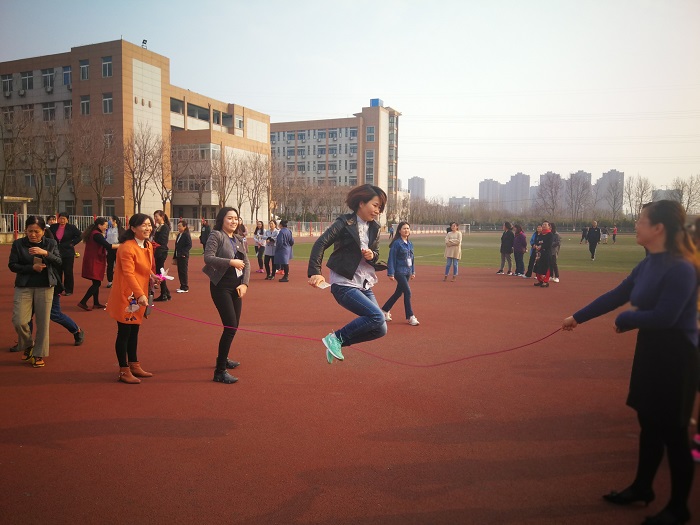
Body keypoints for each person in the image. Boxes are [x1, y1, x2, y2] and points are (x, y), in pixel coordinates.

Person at [562, 200, 699, 525]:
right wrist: (577, 317)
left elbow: (666, 317)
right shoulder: (648, 263)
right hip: (651, 350)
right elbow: (617, 294)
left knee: (674, 432)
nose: (636, 225)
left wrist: (626, 319)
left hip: (677, 356)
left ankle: (679, 508)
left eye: (641, 220)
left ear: (658, 228)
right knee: (648, 422)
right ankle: (642, 487)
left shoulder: (682, 267)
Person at [308, 184, 388, 364]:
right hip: (344, 283)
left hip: (364, 283)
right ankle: (335, 339)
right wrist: (315, 272)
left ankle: (336, 343)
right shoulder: (344, 223)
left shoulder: (375, 228)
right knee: (376, 316)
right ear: (361, 203)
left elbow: (376, 254)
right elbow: (321, 243)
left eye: (380, 208)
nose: (378, 211)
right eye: (375, 205)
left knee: (380, 328)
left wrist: (372, 255)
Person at [106, 213, 156, 384]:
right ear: (133, 228)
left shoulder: (147, 245)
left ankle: (134, 364)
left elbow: (144, 267)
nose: (148, 228)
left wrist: (152, 276)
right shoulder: (126, 247)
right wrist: (140, 294)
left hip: (139, 293)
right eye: (144, 225)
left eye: (149, 225)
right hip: (127, 295)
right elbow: (128, 273)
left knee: (135, 330)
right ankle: (123, 369)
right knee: (124, 332)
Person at [203, 207, 250, 384]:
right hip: (221, 287)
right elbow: (208, 258)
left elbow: (246, 263)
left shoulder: (238, 238)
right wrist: (230, 262)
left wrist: (245, 284)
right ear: (222, 219)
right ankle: (220, 371)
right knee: (230, 326)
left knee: (233, 326)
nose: (233, 221)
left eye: (236, 218)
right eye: (230, 218)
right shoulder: (216, 236)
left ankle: (223, 358)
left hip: (236, 287)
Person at [9, 216, 63, 368]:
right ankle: (28, 344)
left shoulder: (51, 243)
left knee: (43, 322)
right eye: (30, 231)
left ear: (43, 231)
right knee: (19, 321)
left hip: (45, 286)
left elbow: (59, 262)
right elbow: (12, 265)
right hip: (24, 286)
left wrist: (45, 253)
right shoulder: (19, 244)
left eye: (36, 231)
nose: (33, 234)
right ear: (25, 230)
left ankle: (39, 354)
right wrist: (31, 268)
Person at [381, 221, 419, 326]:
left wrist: (413, 271)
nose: (406, 230)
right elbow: (391, 258)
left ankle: (384, 310)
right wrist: (391, 273)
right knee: (408, 292)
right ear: (399, 231)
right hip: (399, 271)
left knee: (398, 293)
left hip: (407, 271)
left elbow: (412, 259)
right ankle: (410, 316)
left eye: (408, 228)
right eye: (404, 228)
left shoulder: (410, 244)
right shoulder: (397, 244)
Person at [78, 218, 118, 311]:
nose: (106, 227)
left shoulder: (93, 233)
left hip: (92, 259)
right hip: (94, 260)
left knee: (96, 282)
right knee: (96, 283)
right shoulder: (97, 235)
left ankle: (96, 303)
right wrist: (122, 245)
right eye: (105, 226)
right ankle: (83, 301)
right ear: (99, 225)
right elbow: (108, 246)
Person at [49, 212, 82, 296]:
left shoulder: (71, 227)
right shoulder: (53, 227)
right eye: (60, 218)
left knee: (68, 271)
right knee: (57, 271)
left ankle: (68, 290)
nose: (62, 220)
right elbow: (48, 236)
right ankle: (58, 289)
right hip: (56, 251)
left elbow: (80, 236)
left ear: (67, 219)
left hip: (68, 252)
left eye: (64, 219)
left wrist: (72, 243)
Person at [152, 210, 171, 301]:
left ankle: (164, 294)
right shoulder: (159, 227)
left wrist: (154, 243)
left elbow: (162, 241)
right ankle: (166, 293)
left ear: (162, 216)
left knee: (160, 273)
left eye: (157, 216)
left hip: (161, 251)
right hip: (158, 251)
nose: (155, 218)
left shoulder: (164, 227)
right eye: (154, 216)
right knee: (160, 272)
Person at [173, 219, 192, 293]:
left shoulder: (186, 235)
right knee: (180, 271)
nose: (178, 227)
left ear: (184, 227)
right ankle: (182, 286)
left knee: (183, 271)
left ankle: (185, 287)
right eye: (178, 226)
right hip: (178, 255)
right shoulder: (179, 235)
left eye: (180, 226)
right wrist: (175, 256)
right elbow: (177, 246)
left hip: (183, 256)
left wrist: (183, 253)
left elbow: (189, 245)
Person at [106, 216, 124, 288]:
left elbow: (123, 240)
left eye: (110, 220)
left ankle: (119, 281)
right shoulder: (109, 229)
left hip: (118, 248)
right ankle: (110, 281)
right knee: (109, 265)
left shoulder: (120, 230)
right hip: (110, 248)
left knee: (119, 265)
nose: (109, 221)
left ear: (115, 221)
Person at [533, 221, 553, 288]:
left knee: (546, 267)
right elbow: (538, 242)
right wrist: (536, 246)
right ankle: (540, 280)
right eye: (543, 224)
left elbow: (549, 244)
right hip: (540, 253)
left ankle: (545, 281)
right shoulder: (541, 234)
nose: (544, 226)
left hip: (546, 253)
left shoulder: (550, 235)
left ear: (549, 226)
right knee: (538, 267)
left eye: (545, 225)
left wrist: (541, 246)